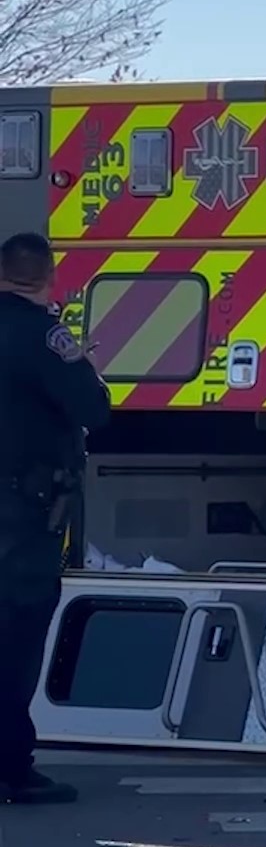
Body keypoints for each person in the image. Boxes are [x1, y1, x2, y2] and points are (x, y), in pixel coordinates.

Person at [0, 232, 108, 804]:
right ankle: (12, 767)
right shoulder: (44, 335)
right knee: (15, 635)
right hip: (21, 514)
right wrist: (83, 361)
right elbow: (93, 408)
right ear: (48, 278)